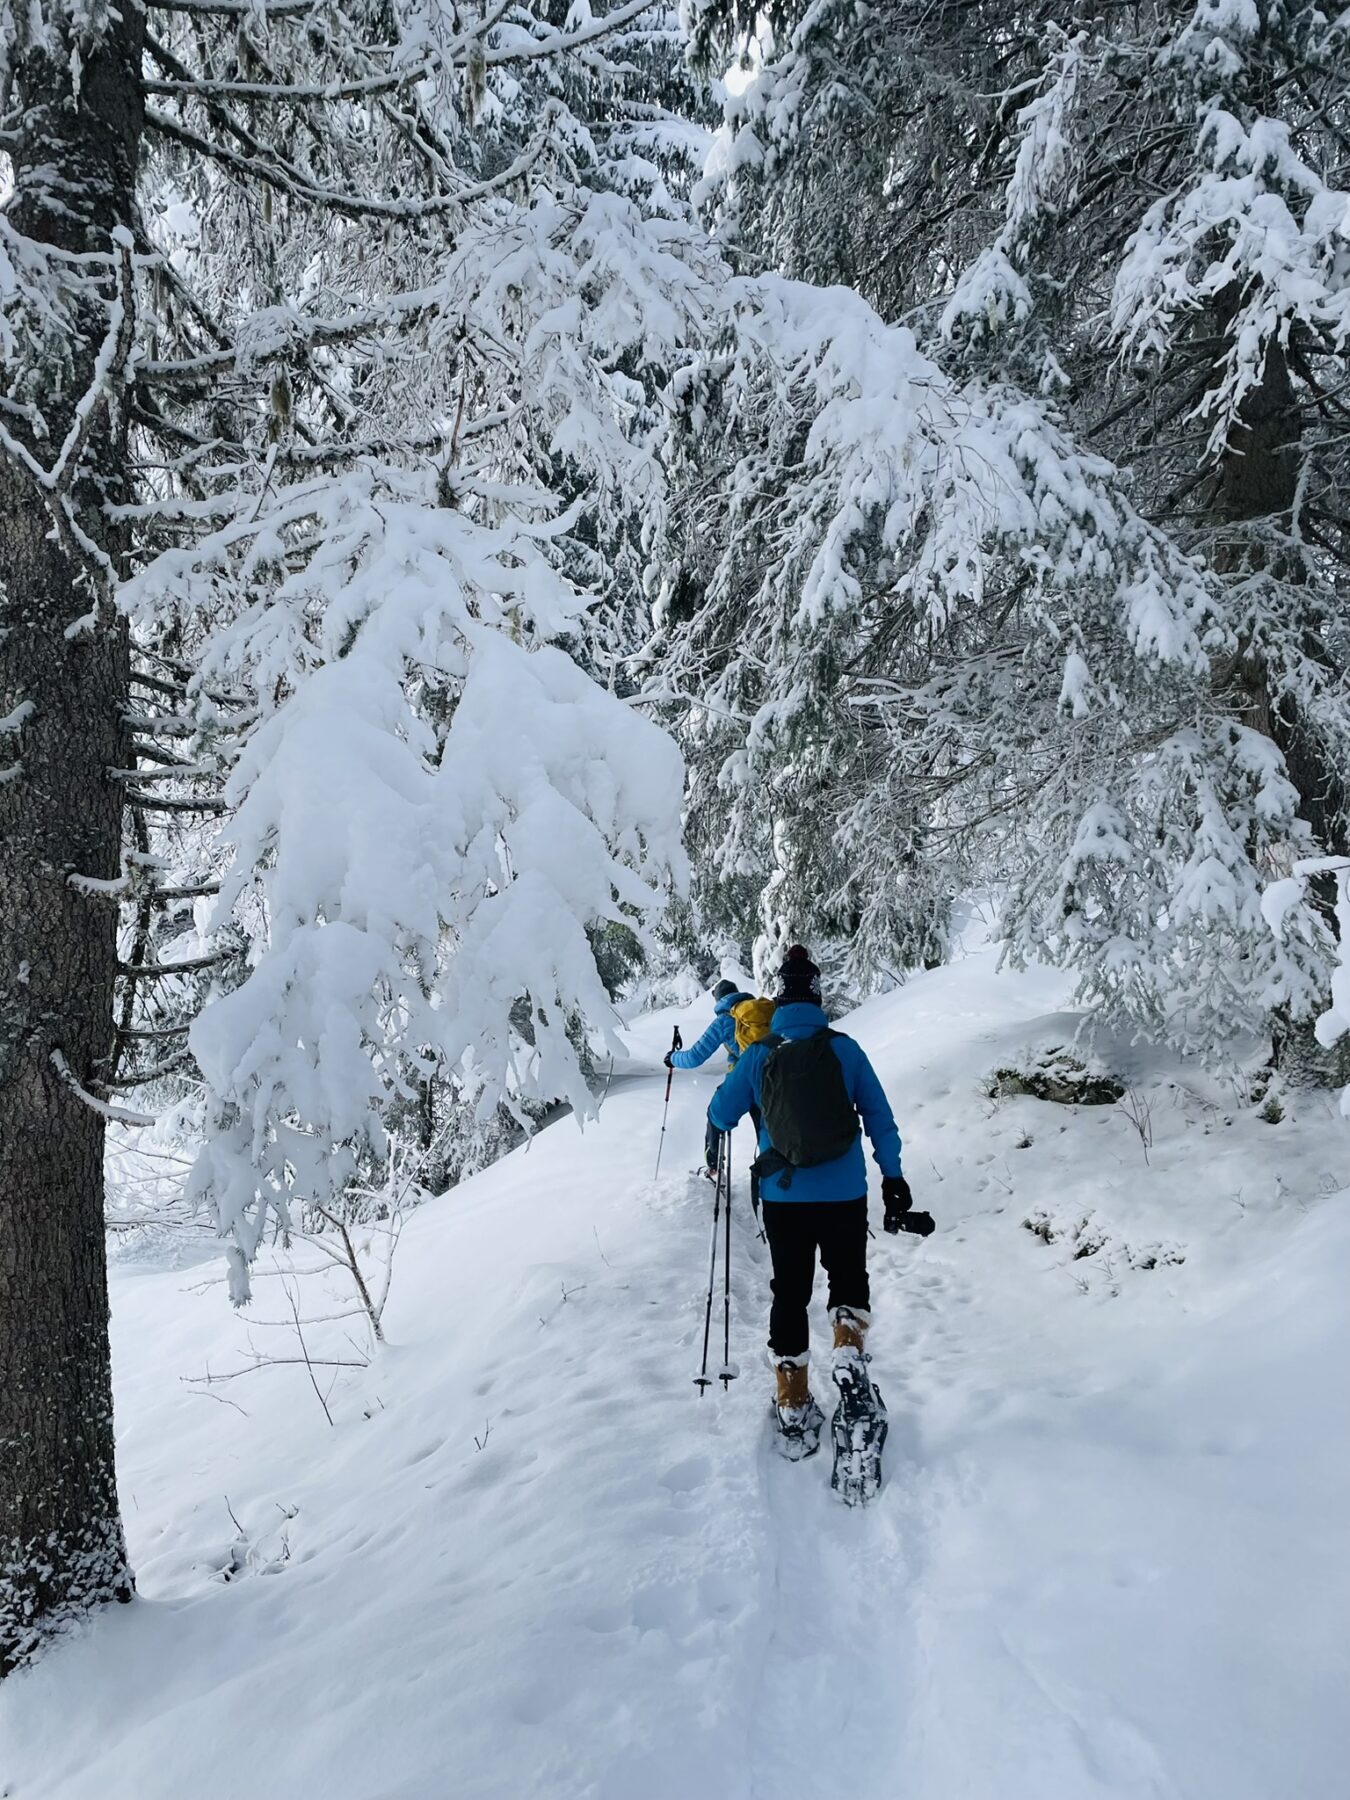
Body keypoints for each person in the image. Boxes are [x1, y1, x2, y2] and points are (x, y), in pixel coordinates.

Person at [706, 945, 935, 1444]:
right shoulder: (845, 1049)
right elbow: (880, 1119)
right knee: (848, 1277)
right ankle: (849, 1350)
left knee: (790, 1292)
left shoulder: (759, 1053)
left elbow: (721, 1113)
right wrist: (892, 1179)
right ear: (816, 995)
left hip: (785, 1198)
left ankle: (792, 1400)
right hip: (844, 1193)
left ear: (781, 997)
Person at [665, 977, 762, 1178]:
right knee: (768, 1128)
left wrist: (672, 1057)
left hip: (743, 1082)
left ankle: (714, 1167)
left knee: (715, 1116)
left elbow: (694, 1057)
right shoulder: (761, 1013)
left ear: (719, 1000)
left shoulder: (724, 1021)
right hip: (772, 1080)